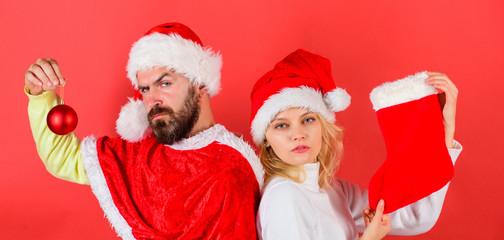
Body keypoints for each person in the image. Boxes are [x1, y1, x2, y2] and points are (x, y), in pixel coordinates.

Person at [24, 22, 263, 239]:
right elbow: (62, 158)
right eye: (145, 89)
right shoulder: (140, 156)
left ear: (200, 84)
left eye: (165, 83)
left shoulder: (232, 169)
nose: (153, 99)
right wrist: (40, 95)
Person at [249, 49, 462, 239]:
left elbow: (413, 215)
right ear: (265, 139)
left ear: (323, 126)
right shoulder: (285, 196)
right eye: (281, 126)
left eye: (308, 120)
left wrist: (444, 132)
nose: (298, 134)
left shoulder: (332, 190)